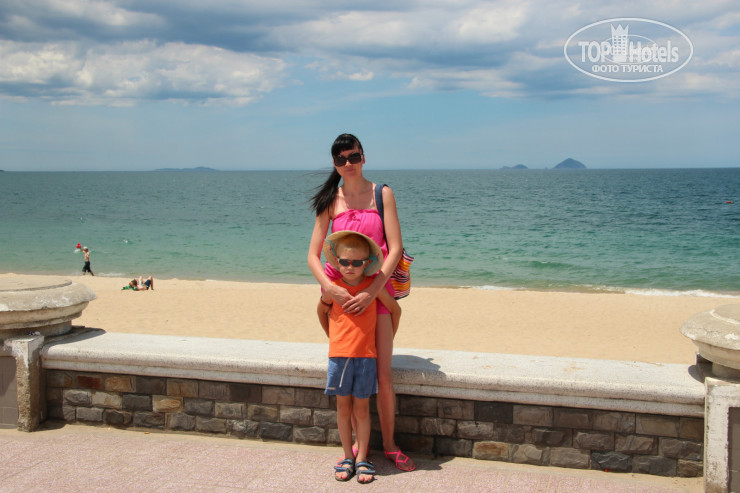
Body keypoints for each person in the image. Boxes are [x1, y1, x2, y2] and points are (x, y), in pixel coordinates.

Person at [308, 133, 416, 472]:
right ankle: (356, 447)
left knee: (383, 375)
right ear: (335, 163)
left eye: (353, 157)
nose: (348, 164)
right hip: (340, 294)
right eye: (341, 160)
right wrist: (331, 289)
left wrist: (373, 291)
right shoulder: (330, 199)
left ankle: (390, 445)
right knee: (350, 367)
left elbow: (394, 248)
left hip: (378, 292)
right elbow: (312, 255)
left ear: (363, 157)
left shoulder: (382, 194)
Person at [320, 231, 401, 483]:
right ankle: (348, 456)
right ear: (337, 261)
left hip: (366, 357)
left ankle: (363, 457)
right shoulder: (333, 289)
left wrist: (385, 339)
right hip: (339, 357)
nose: (350, 267)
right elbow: (322, 311)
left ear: (367, 263)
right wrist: (334, 338)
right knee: (343, 409)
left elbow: (395, 310)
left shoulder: (372, 288)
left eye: (357, 262)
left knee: (363, 410)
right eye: (345, 262)